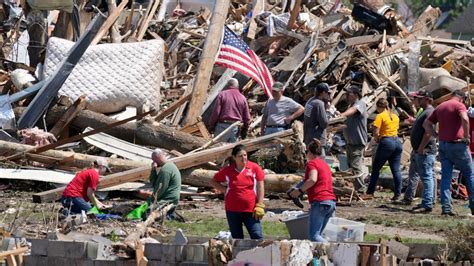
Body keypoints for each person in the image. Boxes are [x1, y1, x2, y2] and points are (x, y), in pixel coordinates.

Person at [422, 90, 474, 216]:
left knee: (446, 176)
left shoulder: (440, 106)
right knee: (469, 174)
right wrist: (466, 136)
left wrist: (437, 135)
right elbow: (465, 119)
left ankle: (446, 207)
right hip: (458, 145)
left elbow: (426, 124)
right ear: (461, 98)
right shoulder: (459, 105)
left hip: (444, 145)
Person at [210, 145, 265, 239]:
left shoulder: (254, 168)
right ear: (234, 157)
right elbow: (213, 181)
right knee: (237, 238)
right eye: (240, 156)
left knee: (257, 235)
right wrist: (225, 190)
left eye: (245, 155)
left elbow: (260, 186)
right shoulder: (228, 170)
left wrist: (260, 205)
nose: (243, 158)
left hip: (250, 210)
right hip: (232, 210)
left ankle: (258, 253)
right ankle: (238, 254)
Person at [290, 139, 336, 242]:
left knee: (314, 237)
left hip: (320, 202)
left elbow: (312, 179)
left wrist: (299, 191)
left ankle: (335, 250)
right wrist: (297, 187)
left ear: (310, 152)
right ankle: (323, 256)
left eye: (306, 152)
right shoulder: (324, 165)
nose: (306, 155)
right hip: (330, 202)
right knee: (319, 235)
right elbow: (311, 180)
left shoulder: (312, 164)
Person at [366, 98, 403, 200]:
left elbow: (376, 132)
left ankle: (370, 191)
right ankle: (398, 194)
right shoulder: (395, 116)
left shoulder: (380, 116)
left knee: (376, 168)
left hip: (386, 142)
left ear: (379, 107)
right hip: (397, 142)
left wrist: (377, 140)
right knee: (396, 170)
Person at [408, 90, 437, 213]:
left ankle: (427, 204)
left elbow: (428, 133)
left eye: (420, 98)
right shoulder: (425, 112)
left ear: (427, 99)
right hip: (420, 150)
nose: (417, 100)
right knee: (425, 176)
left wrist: (421, 148)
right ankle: (426, 202)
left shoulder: (430, 112)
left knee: (427, 177)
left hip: (425, 150)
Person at [340, 85, 368, 191]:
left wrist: (341, 115)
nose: (347, 96)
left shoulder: (360, 104)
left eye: (349, 94)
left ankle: (361, 189)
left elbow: (353, 111)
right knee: (351, 166)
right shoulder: (350, 105)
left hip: (357, 142)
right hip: (350, 142)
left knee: (356, 166)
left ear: (356, 95)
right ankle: (356, 188)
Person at [141, 148, 182, 219]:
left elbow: (160, 189)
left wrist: (152, 200)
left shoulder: (165, 170)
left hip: (169, 199)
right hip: (168, 197)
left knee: (146, 213)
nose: (153, 162)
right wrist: (153, 170)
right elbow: (154, 182)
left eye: (153, 159)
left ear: (157, 158)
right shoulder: (168, 166)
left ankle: (168, 214)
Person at [208, 78, 251, 142]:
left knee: (218, 149)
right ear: (238, 86)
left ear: (228, 85)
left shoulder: (222, 95)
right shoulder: (243, 98)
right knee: (231, 150)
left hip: (222, 127)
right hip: (235, 129)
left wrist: (211, 124)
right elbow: (247, 117)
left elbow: (216, 112)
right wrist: (245, 128)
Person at [401, 91, 423, 205]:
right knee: (413, 173)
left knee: (424, 175)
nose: (412, 101)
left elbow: (423, 126)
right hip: (417, 148)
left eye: (414, 98)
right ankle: (409, 197)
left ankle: (428, 200)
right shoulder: (420, 111)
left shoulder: (424, 111)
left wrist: (412, 121)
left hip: (421, 148)